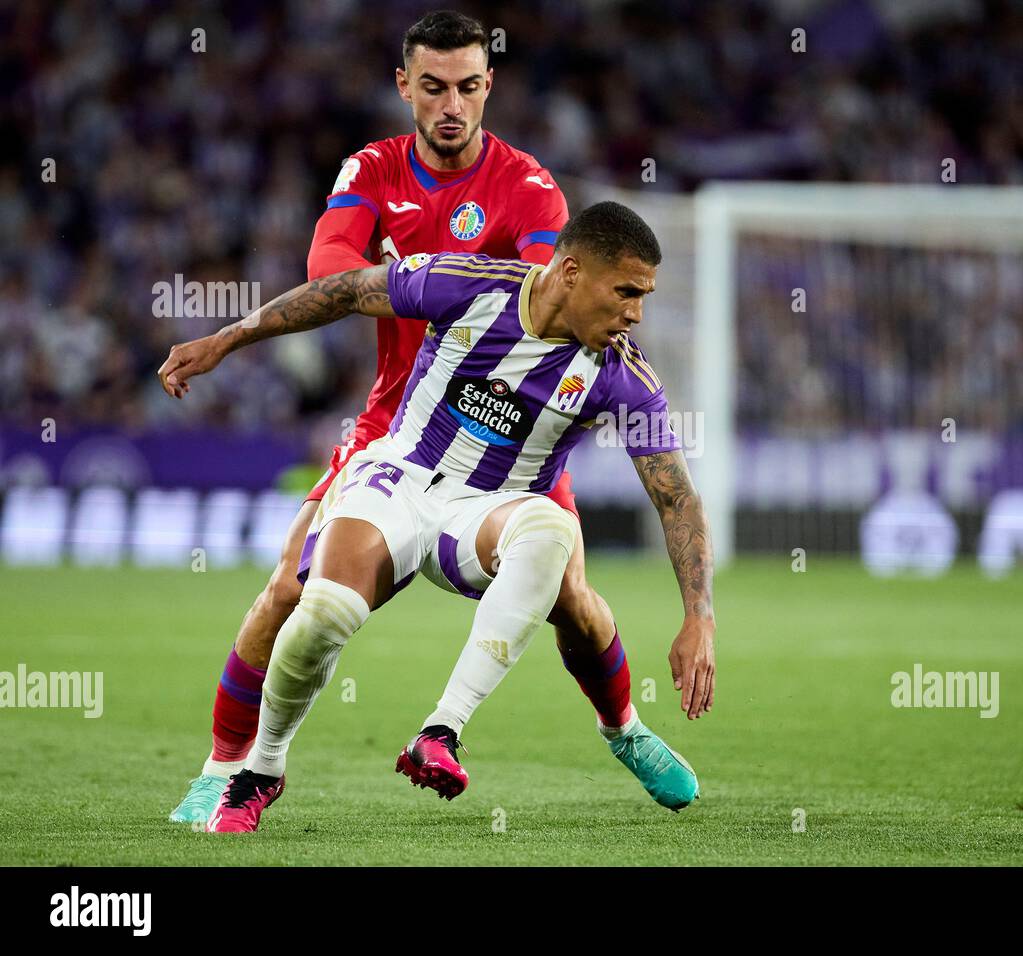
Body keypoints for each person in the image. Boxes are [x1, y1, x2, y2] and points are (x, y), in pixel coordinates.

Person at [166, 10, 616, 824]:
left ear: (490, 86)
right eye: (435, 87)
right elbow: (330, 268)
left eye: (469, 87)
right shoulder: (371, 169)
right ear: (404, 86)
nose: (453, 105)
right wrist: (427, 277)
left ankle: (625, 727)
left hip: (509, 440)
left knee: (576, 602)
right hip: (394, 431)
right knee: (286, 594)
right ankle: (221, 771)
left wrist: (449, 282)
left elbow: (551, 294)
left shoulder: (529, 186)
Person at [160, 202, 716, 832]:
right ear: (570, 271)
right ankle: (259, 770)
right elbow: (343, 290)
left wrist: (699, 616)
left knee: (554, 538)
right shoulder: (469, 286)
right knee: (321, 609)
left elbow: (677, 498)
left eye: (643, 297)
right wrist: (225, 339)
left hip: (486, 515)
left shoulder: (622, 374)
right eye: (626, 292)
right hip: (401, 476)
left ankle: (447, 732)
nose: (635, 313)